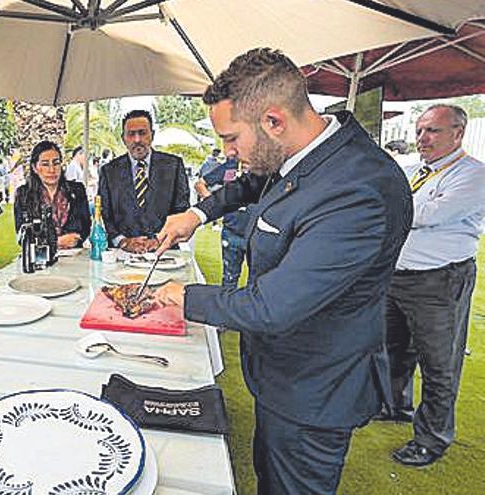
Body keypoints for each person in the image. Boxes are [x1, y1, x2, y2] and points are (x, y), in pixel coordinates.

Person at [153, 48, 412, 495]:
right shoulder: (305, 151)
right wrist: (196, 214)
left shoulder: (359, 192)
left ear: (274, 121)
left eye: (232, 139)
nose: (226, 153)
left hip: (313, 392)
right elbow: (255, 182)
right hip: (280, 377)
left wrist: (185, 296)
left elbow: (271, 306)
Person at [382, 104, 485, 467]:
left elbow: (425, 215)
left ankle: (432, 438)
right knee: (393, 347)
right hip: (398, 276)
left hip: (439, 280)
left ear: (458, 133)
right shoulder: (415, 171)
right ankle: (394, 405)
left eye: (433, 131)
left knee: (439, 363)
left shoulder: (474, 175)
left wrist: (384, 205)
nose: (422, 138)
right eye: (420, 130)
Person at [98, 110, 190, 253]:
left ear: (152, 135)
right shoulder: (109, 171)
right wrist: (122, 241)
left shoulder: (173, 166)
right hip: (122, 255)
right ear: (123, 138)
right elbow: (104, 214)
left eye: (142, 133)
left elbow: (181, 210)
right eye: (131, 134)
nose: (137, 140)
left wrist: (159, 239)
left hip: (165, 253)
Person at [13, 141, 91, 249]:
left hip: (74, 256)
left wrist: (77, 238)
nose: (52, 170)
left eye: (56, 163)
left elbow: (86, 227)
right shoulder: (23, 194)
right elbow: (22, 236)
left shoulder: (77, 190)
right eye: (45, 164)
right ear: (35, 168)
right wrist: (56, 242)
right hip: (38, 259)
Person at [196, 158, 250, 289]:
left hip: (256, 234)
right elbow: (200, 184)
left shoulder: (264, 167)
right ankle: (226, 308)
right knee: (229, 279)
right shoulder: (231, 166)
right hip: (231, 232)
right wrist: (215, 206)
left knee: (258, 282)